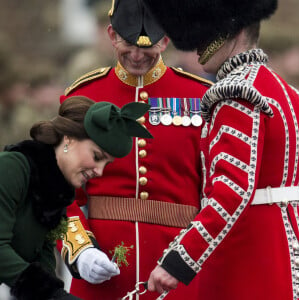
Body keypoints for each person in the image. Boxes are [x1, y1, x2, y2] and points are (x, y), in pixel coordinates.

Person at [141, 0, 299, 299]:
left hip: (248, 254)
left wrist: (179, 260)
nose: (195, 45)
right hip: (286, 246)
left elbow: (231, 191)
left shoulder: (235, 93)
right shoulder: (287, 92)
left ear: (234, 29)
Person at [57, 0, 212, 299]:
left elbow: (216, 194)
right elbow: (58, 191)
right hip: (102, 269)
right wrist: (79, 250)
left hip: (178, 274)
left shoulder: (202, 98)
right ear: (112, 35)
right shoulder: (83, 96)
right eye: (129, 43)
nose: (138, 55)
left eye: (149, 45)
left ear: (166, 40)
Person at [0, 95, 151, 300]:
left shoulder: (54, 191)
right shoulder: (12, 168)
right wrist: (55, 295)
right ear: (68, 139)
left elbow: (42, 261)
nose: (99, 171)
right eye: (97, 156)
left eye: (106, 164)